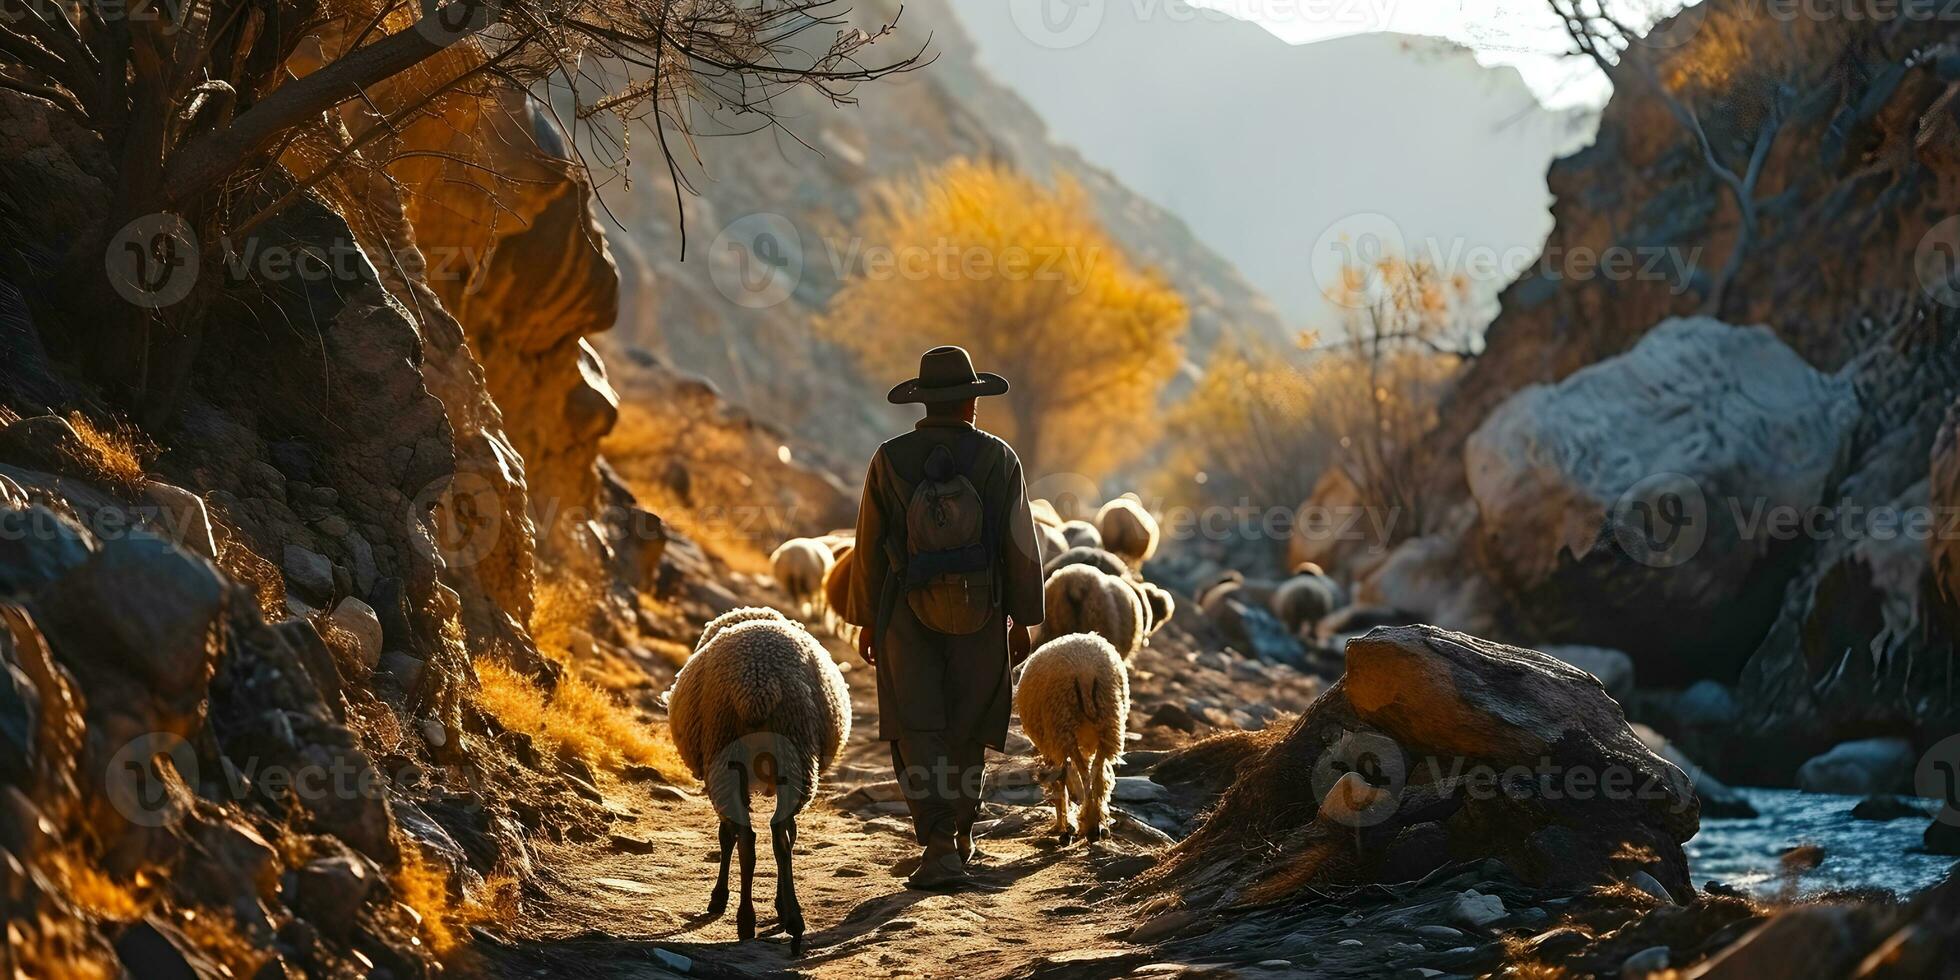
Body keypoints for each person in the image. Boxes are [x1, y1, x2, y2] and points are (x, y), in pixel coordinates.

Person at [840, 345, 1044, 890]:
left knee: (916, 723)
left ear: (924, 403)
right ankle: (959, 835)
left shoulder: (889, 458)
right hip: (983, 612)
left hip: (905, 613)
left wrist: (864, 618)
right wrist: (1023, 617)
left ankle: (935, 843)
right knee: (969, 723)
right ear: (972, 405)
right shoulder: (1000, 458)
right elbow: (1020, 543)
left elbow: (868, 544)